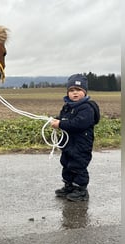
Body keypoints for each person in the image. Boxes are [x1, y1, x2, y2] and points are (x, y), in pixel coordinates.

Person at [50, 74, 100, 202]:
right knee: (66, 163)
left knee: (78, 165)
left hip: (81, 144)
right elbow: (64, 118)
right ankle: (69, 186)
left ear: (84, 92)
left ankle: (81, 190)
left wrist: (60, 124)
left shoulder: (87, 108)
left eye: (78, 90)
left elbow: (78, 123)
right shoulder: (67, 106)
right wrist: (57, 119)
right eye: (72, 90)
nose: (75, 93)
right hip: (68, 143)